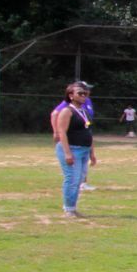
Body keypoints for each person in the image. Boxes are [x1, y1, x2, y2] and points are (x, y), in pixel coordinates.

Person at [51, 81, 96, 218]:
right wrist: (67, 153)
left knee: (79, 179)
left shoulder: (84, 111)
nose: (84, 96)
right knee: (72, 179)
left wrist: (92, 153)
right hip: (72, 149)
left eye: (85, 93)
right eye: (80, 93)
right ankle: (69, 210)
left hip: (84, 150)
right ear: (71, 95)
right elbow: (62, 132)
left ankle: (73, 208)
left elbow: (89, 131)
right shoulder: (67, 111)